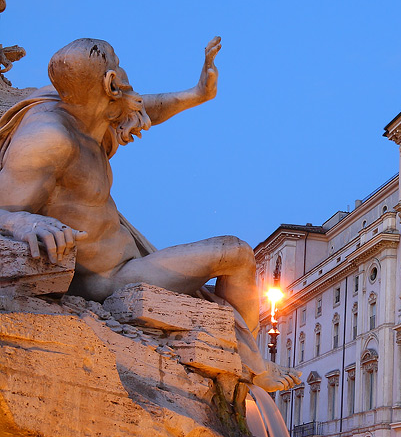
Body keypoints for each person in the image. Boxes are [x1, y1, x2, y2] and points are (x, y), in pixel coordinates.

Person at [0, 35, 297, 390]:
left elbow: (141, 107)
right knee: (235, 253)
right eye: (118, 63)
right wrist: (24, 220)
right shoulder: (49, 138)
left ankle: (242, 357)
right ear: (111, 82)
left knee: (233, 255)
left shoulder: (80, 108)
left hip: (130, 256)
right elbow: (5, 205)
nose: (126, 75)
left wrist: (198, 93)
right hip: (108, 280)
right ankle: (252, 369)